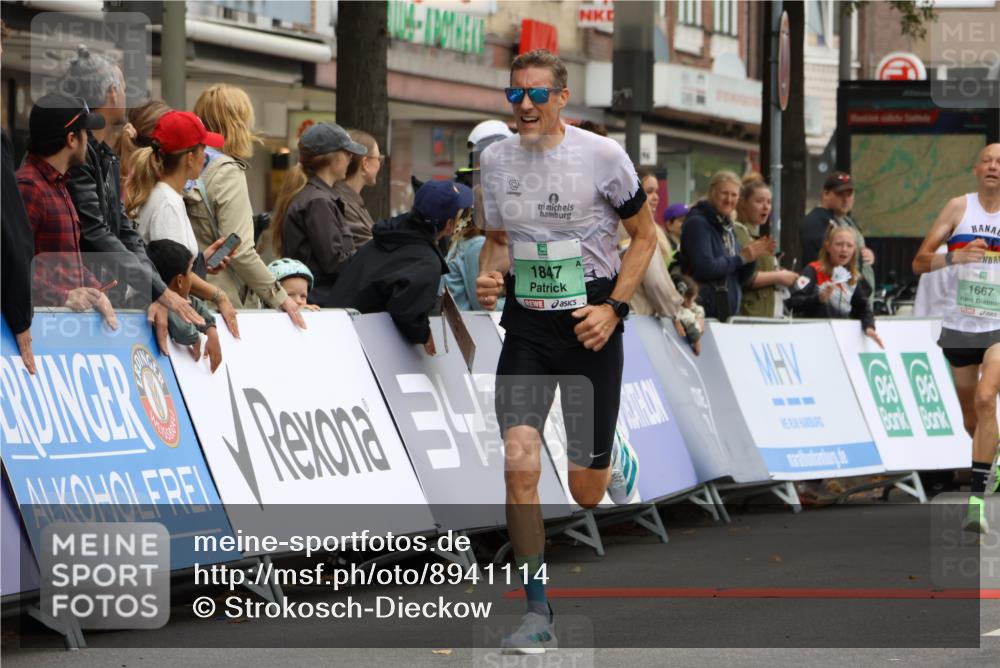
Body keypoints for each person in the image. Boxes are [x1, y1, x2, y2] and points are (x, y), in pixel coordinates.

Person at [475, 49, 656, 654]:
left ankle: (614, 453)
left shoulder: (602, 156)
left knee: (584, 491)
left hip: (590, 322)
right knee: (519, 463)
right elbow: (497, 240)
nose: (524, 105)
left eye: (535, 94)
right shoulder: (494, 160)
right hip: (527, 324)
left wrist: (615, 309)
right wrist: (489, 275)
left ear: (560, 98)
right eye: (514, 95)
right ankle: (536, 612)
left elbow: (646, 236)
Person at [59, 46, 204, 350]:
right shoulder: (79, 157)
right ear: (112, 93)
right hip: (79, 304)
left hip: (105, 301)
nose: (126, 94)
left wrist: (156, 287)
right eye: (124, 87)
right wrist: (157, 288)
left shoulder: (105, 157)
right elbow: (95, 231)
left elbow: (125, 231)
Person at [913, 143, 1000, 533]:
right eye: (987, 160)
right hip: (960, 324)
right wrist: (955, 258)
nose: (993, 166)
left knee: (986, 398)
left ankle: (977, 504)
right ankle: (993, 459)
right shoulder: (957, 208)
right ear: (975, 168)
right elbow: (920, 261)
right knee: (972, 418)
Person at [185, 84, 305, 329]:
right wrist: (281, 298)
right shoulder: (226, 172)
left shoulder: (185, 164)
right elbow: (239, 250)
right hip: (221, 302)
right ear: (237, 123)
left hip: (185, 293)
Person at [125, 109, 241, 337]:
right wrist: (219, 295)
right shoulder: (167, 202)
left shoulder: (167, 196)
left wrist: (200, 261)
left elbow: (174, 267)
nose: (206, 155)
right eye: (202, 149)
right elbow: (171, 279)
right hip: (159, 329)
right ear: (189, 158)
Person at [327, 180, 472, 352]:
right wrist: (424, 335)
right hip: (354, 347)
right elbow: (408, 314)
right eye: (460, 214)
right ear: (449, 225)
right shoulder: (425, 261)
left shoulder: (389, 236)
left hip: (334, 329)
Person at [16, 93, 117, 329]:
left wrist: (93, 288)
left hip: (58, 334)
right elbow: (11, 268)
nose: (88, 140)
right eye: (85, 133)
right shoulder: (29, 187)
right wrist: (64, 296)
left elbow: (65, 261)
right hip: (38, 334)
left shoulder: (57, 185)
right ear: (72, 139)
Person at [270, 122, 368, 305]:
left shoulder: (315, 197)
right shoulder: (318, 201)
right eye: (347, 152)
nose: (350, 158)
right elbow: (335, 262)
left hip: (317, 302)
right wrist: (372, 252)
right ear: (332, 157)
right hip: (320, 304)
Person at [680, 171, 773, 321]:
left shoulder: (726, 225)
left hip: (724, 317)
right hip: (703, 318)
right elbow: (706, 268)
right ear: (712, 192)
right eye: (724, 193)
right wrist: (742, 258)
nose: (729, 199)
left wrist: (752, 257)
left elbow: (740, 278)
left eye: (734, 195)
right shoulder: (698, 223)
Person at [786, 226, 883, 347]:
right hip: (813, 339)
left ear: (854, 251)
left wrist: (869, 327)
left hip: (841, 342)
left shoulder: (853, 277)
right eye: (839, 244)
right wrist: (817, 299)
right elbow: (792, 301)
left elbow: (862, 307)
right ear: (828, 247)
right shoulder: (813, 270)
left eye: (849, 246)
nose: (844, 249)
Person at [146, 239, 222, 373]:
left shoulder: (183, 298)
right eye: (191, 271)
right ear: (180, 280)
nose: (192, 279)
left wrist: (211, 329)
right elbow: (183, 332)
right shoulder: (159, 304)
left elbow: (196, 306)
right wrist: (196, 338)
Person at [618, 168, 682, 322]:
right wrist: (679, 313)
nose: (656, 198)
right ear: (635, 194)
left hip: (630, 315)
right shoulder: (638, 230)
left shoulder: (647, 228)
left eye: (657, 192)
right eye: (649, 191)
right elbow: (656, 283)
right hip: (640, 316)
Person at [800, 171, 876, 294]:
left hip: (854, 295)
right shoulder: (816, 221)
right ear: (826, 194)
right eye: (840, 194)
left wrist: (867, 254)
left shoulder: (847, 220)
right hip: (836, 297)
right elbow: (824, 261)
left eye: (849, 194)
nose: (846, 199)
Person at [733, 177, 799, 318]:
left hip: (763, 314)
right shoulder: (739, 231)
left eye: (769, 202)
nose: (766, 207)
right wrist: (779, 276)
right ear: (743, 202)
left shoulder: (753, 234)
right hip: (749, 315)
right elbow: (745, 277)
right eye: (759, 201)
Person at [332, 129, 382, 247]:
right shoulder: (343, 204)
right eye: (379, 159)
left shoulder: (349, 200)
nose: (380, 164)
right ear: (365, 164)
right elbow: (373, 249)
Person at [672, 274, 705, 347]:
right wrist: (697, 340)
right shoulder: (683, 313)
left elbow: (697, 307)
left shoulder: (686, 305)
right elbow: (695, 330)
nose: (693, 302)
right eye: (693, 299)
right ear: (685, 298)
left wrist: (700, 316)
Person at [662, 202, 687, 272]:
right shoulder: (664, 248)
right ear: (669, 225)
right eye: (682, 220)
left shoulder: (689, 245)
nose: (687, 223)